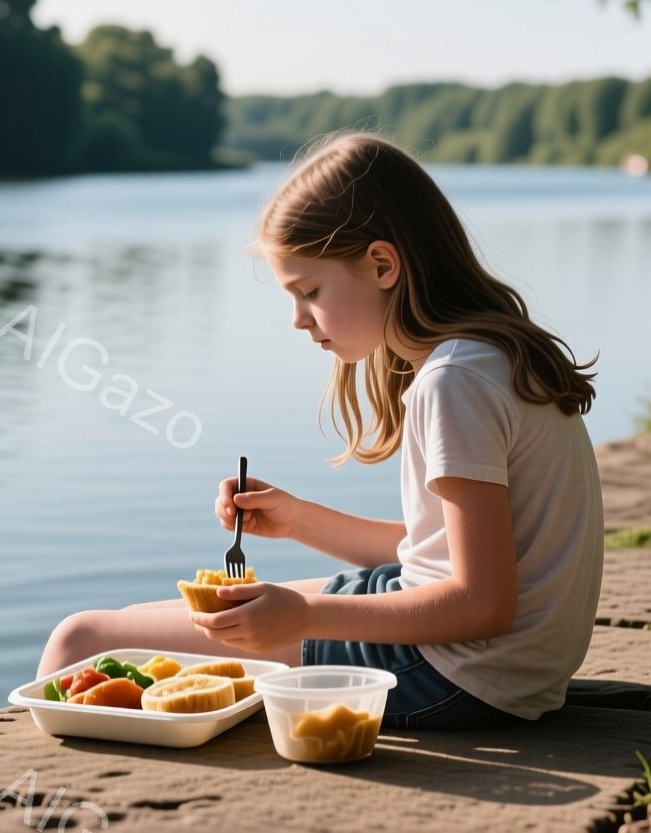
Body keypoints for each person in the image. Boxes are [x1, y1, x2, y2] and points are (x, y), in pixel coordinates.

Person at [35, 131, 604, 729]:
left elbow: (482, 603)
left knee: (82, 641)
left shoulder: (453, 381)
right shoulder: (485, 359)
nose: (298, 320)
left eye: (310, 291)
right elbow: (444, 557)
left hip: (452, 674)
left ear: (382, 265)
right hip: (494, 668)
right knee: (152, 623)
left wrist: (305, 616)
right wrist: (299, 520)